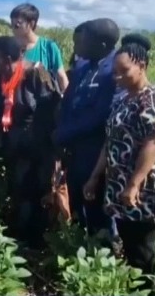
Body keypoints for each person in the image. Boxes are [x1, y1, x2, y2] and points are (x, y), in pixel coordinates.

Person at [84, 35, 155, 292]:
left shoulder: (153, 98)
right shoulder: (122, 98)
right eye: (115, 72)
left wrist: (134, 184)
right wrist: (95, 176)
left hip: (143, 188)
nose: (117, 77)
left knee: (142, 248)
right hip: (119, 183)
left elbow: (153, 143)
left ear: (142, 66)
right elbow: (109, 142)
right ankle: (136, 287)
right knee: (129, 242)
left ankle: (147, 289)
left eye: (124, 71)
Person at [0, 35, 62, 247]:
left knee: (38, 191)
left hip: (38, 145)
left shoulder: (36, 73)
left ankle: (36, 240)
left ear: (8, 59)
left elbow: (53, 112)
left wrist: (56, 153)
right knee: (17, 189)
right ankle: (21, 236)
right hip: (13, 144)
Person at [55, 18, 120, 241]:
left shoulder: (114, 70)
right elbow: (68, 102)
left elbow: (101, 114)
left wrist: (65, 133)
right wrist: (62, 134)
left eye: (83, 42)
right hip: (73, 148)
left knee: (96, 203)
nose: (77, 47)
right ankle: (78, 245)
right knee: (75, 197)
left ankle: (102, 250)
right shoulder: (82, 66)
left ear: (102, 45)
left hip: (96, 152)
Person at [10, 3, 69, 91]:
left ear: (31, 24)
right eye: (12, 24)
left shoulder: (49, 47)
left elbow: (61, 77)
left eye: (17, 25)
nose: (13, 28)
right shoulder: (8, 46)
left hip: (43, 101)